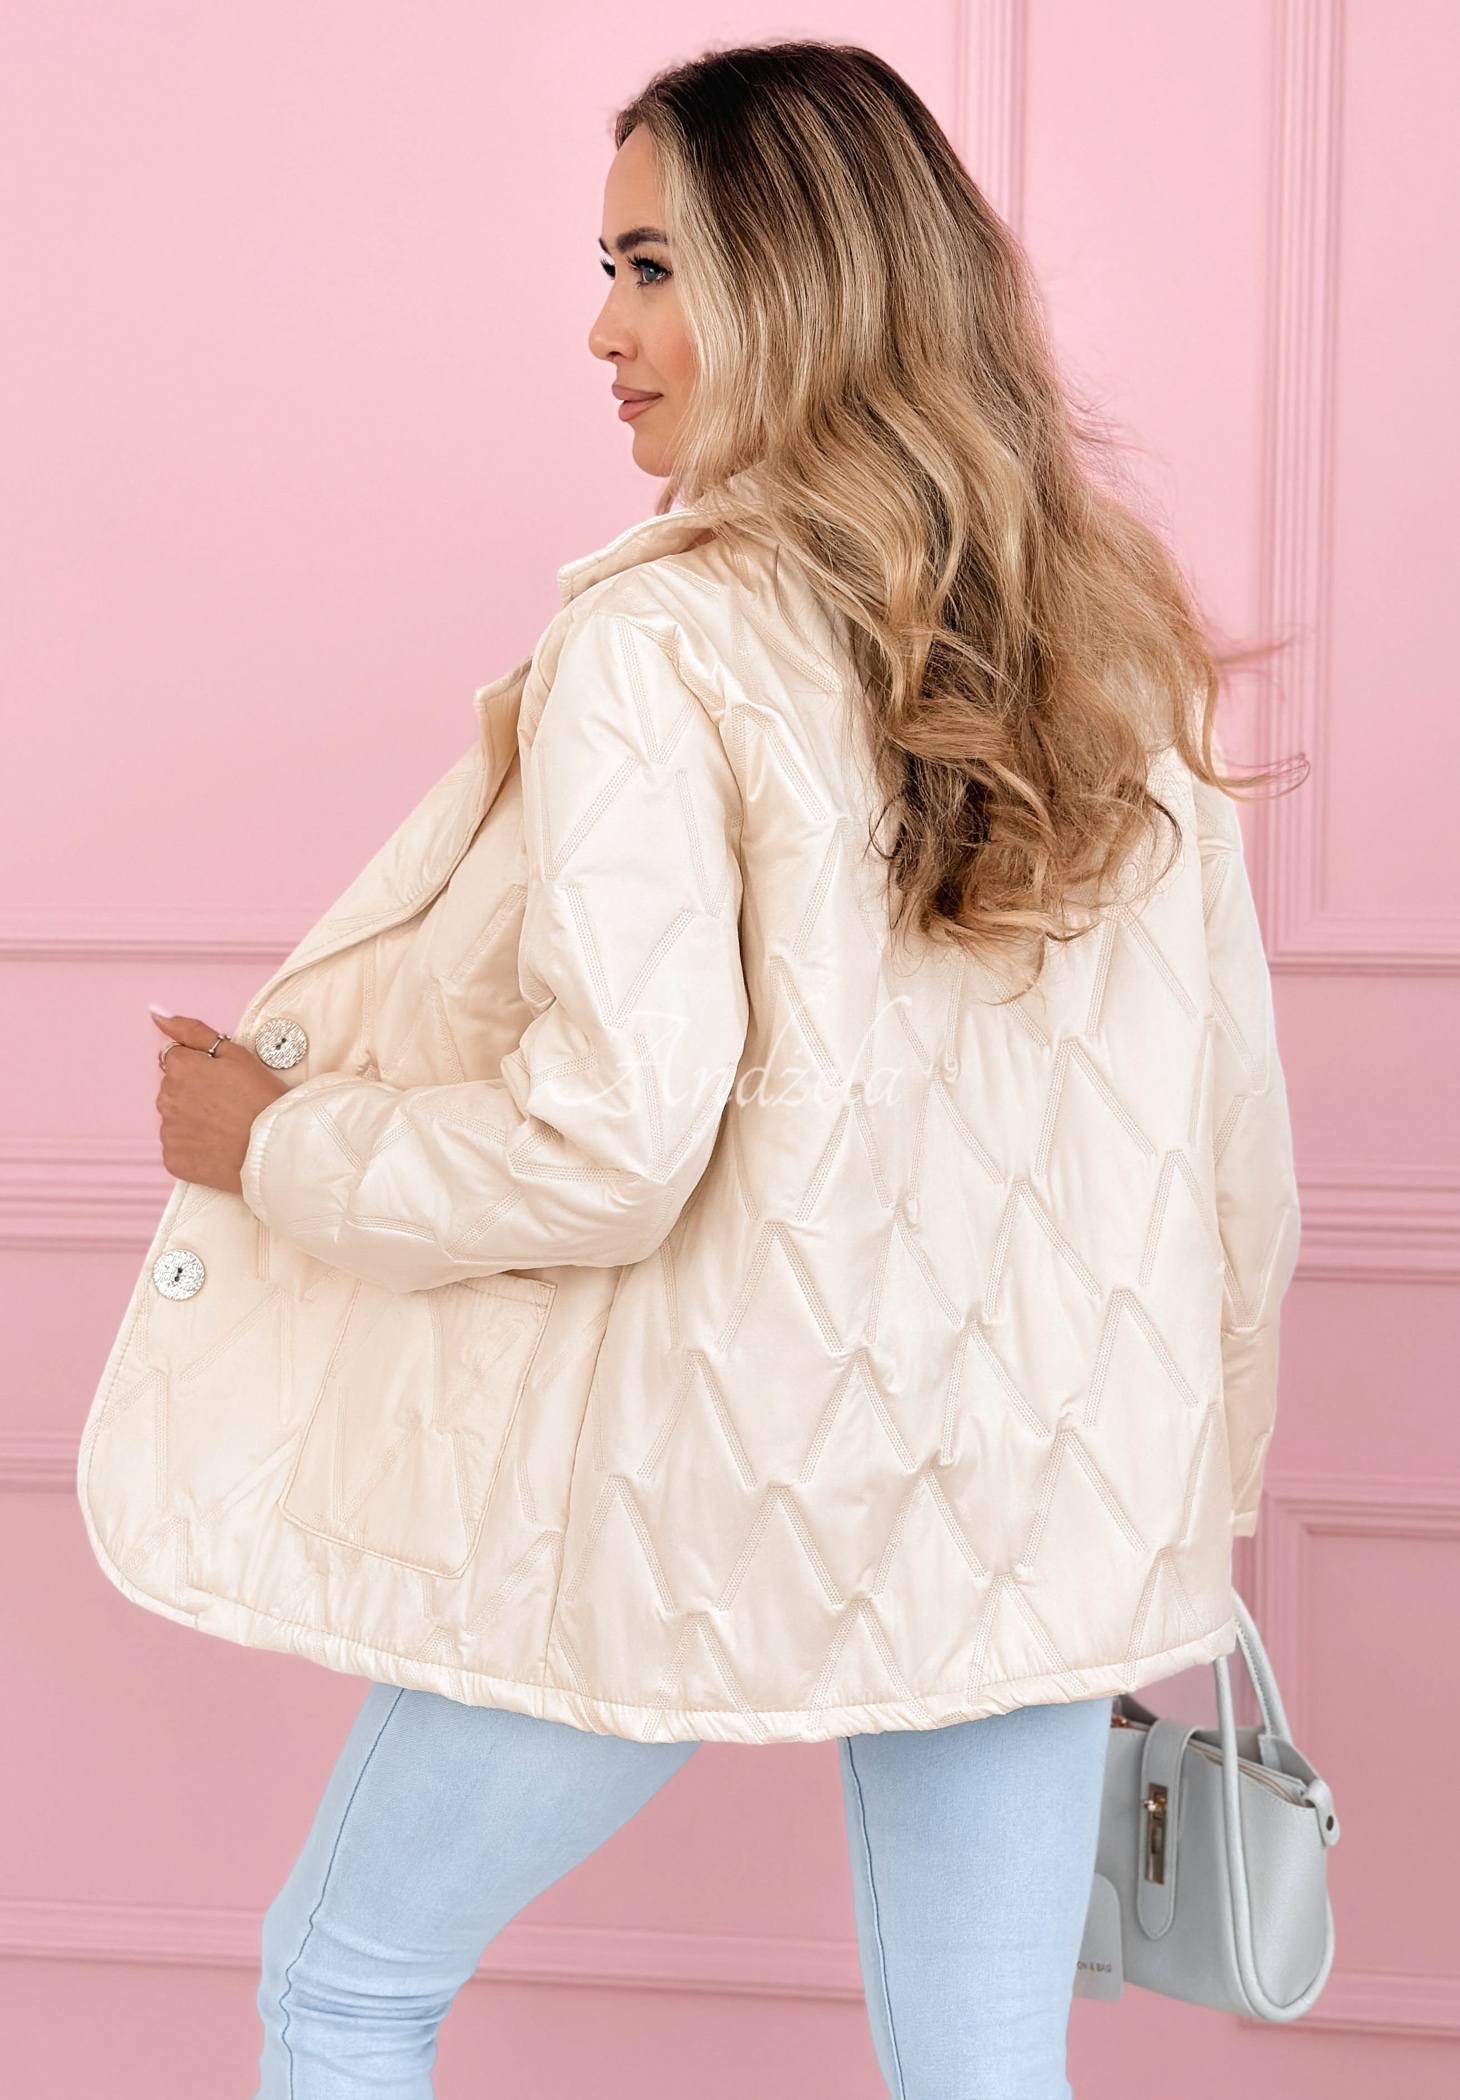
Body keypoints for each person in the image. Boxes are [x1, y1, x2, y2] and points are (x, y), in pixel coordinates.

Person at [131, 39, 1299, 2100]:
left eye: (653, 267)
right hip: (1049, 1503)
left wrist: (282, 1144)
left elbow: (609, 1147)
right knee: (983, 2073)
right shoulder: (1111, 638)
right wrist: (1173, 1515)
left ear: (805, 281)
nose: (604, 330)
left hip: (711, 1492)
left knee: (343, 1991)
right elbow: (1234, 1162)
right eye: (608, 270)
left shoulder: (662, 643)